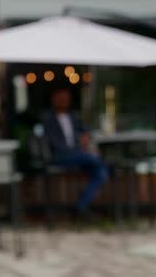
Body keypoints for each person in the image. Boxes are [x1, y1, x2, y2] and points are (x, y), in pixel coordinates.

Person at [43, 88, 108, 218]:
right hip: (60, 157)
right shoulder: (48, 120)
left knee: (101, 173)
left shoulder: (73, 117)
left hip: (79, 157)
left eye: (66, 98)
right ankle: (107, 164)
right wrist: (80, 151)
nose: (64, 101)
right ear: (53, 99)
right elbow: (56, 145)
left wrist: (85, 137)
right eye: (61, 98)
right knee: (95, 160)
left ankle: (80, 206)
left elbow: (86, 132)